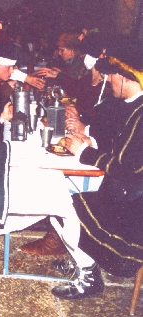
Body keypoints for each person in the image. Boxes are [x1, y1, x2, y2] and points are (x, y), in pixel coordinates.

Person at [46, 45, 143, 299]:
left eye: (111, 75)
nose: (107, 79)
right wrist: (90, 142)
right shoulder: (134, 106)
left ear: (124, 76)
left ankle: (89, 276)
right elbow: (124, 151)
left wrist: (84, 151)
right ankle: (82, 259)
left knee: (59, 202)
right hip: (127, 194)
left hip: (133, 211)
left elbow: (125, 170)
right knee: (58, 189)